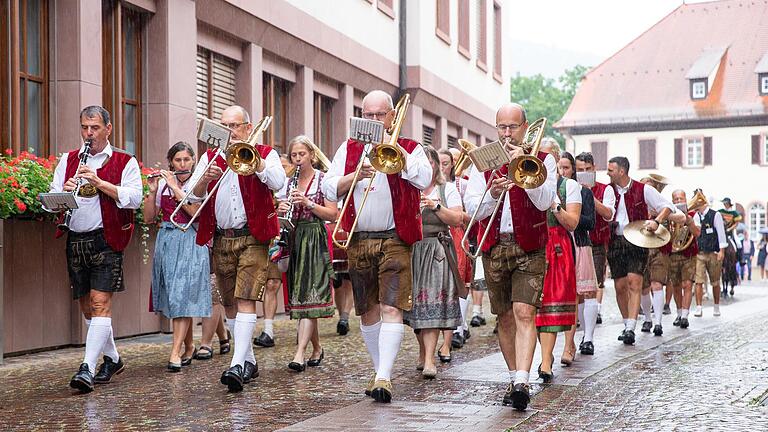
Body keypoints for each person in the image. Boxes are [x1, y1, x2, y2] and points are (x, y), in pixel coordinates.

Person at [322, 90, 432, 403]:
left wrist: (395, 146)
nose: (373, 120)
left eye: (379, 115)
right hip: (359, 237)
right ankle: (378, 370)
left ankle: (384, 375)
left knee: (390, 306)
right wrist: (354, 176)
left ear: (392, 117)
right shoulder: (350, 147)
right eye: (367, 115)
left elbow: (424, 179)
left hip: (395, 237)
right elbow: (328, 186)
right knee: (368, 310)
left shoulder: (411, 147)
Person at [464, 103, 556, 410]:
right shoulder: (486, 160)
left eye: (512, 127)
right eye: (501, 127)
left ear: (525, 127)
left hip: (529, 245)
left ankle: (522, 381)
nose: (506, 133)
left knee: (524, 313)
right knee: (503, 316)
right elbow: (473, 209)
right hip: (494, 246)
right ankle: (514, 375)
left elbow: (544, 202)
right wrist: (492, 192)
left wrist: (524, 171)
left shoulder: (544, 160)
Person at [188, 105, 286, 392]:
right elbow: (193, 195)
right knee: (229, 302)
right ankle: (248, 362)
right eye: (224, 125)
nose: (229, 131)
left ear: (248, 126)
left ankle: (235, 364)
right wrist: (205, 178)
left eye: (234, 125)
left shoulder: (265, 153)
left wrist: (256, 165)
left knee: (245, 299)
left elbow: (278, 183)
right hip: (221, 238)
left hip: (253, 236)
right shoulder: (210, 157)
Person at [49, 106, 143, 393]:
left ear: (108, 128)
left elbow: (134, 199)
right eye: (84, 128)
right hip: (76, 238)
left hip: (107, 239)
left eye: (95, 128)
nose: (88, 133)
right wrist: (63, 193)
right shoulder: (69, 159)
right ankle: (112, 358)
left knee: (101, 304)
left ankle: (87, 368)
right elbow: (49, 200)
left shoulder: (125, 161)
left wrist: (100, 182)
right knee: (88, 309)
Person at [144, 142, 212, 371]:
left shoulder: (199, 183)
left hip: (190, 241)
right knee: (175, 296)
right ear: (170, 162)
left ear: (193, 161)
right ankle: (189, 345)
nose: (182, 164)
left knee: (182, 295)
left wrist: (174, 186)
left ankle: (174, 353)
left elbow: (195, 213)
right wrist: (152, 192)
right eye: (177, 160)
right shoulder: (164, 183)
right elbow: (148, 218)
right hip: (167, 240)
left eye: (186, 160)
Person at [277, 136, 338, 371]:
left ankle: (299, 353)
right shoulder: (287, 182)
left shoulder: (324, 180)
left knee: (310, 295)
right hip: (295, 238)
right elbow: (281, 214)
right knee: (301, 297)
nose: (298, 159)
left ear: (311, 155)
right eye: (294, 155)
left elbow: (332, 214)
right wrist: (281, 208)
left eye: (302, 154)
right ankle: (316, 347)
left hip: (314, 239)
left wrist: (308, 203)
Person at [605, 157, 680, 345]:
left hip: (637, 240)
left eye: (611, 170)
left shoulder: (643, 189)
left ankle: (631, 327)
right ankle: (626, 323)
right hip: (615, 240)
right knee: (620, 286)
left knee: (635, 281)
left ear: (622, 171)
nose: (607, 173)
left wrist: (656, 221)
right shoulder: (608, 189)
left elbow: (667, 206)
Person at [406, 146, 465, 379]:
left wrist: (435, 206)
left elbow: (458, 218)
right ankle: (423, 350)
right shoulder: (409, 188)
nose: (427, 167)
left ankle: (430, 357)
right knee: (414, 307)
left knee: (431, 303)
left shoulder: (446, 188)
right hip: (413, 249)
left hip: (436, 249)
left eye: (430, 163)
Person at [535, 146, 582, 383]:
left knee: (550, 302)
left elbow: (572, 223)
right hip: (532, 241)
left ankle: (545, 361)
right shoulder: (529, 179)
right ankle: (543, 357)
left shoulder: (569, 186)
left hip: (557, 245)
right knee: (530, 306)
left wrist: (554, 205)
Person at [561, 152, 598, 358]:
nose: (563, 171)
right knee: (568, 294)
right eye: (560, 167)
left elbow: (590, 223)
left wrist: (569, 216)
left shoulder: (584, 192)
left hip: (580, 244)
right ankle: (569, 342)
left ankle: (588, 337)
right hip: (560, 245)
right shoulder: (556, 189)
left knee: (584, 292)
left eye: (567, 168)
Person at [574, 153, 615, 326]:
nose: (584, 172)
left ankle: (588, 331)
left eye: (587, 169)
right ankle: (579, 322)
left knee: (592, 287)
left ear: (594, 169)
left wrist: (589, 194)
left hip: (596, 244)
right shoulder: (570, 186)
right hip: (575, 241)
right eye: (580, 170)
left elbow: (608, 214)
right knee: (576, 289)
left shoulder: (606, 189)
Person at [438, 148, 472, 355]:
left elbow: (474, 215)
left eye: (446, 163)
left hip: (456, 235)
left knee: (458, 282)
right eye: (438, 163)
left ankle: (458, 328)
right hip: (436, 236)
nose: (442, 167)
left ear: (452, 165)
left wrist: (448, 212)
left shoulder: (461, 185)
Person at [661, 189, 700, 329]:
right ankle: (679, 312)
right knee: (676, 285)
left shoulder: (693, 214)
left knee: (687, 284)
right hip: (673, 254)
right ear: (672, 201)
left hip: (689, 254)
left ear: (686, 199)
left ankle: (685, 315)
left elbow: (697, 233)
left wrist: (689, 222)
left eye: (681, 198)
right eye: (676, 199)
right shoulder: (670, 215)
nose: (678, 201)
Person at [693, 194, 728, 317]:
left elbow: (721, 233)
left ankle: (716, 306)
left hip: (713, 252)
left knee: (715, 281)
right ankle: (698, 307)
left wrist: (722, 251)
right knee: (698, 281)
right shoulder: (696, 216)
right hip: (700, 253)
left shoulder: (715, 214)